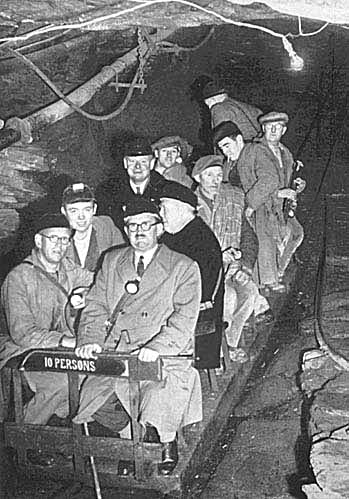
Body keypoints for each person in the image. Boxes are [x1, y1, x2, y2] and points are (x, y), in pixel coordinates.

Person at [73, 197, 202, 475]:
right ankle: (133, 438)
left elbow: (184, 317)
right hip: (118, 349)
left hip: (164, 352)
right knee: (93, 396)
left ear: (160, 229)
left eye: (146, 224)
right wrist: (90, 339)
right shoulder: (112, 261)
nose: (139, 231)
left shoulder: (183, 266)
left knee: (159, 394)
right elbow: (96, 304)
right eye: (132, 226)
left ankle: (165, 441)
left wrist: (157, 346)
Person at [0, 213, 93, 465]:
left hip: (55, 350)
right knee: (63, 382)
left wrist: (84, 291)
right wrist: (66, 341)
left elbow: (97, 281)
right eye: (53, 239)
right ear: (38, 241)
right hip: (21, 352)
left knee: (86, 374)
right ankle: (24, 438)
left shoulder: (67, 270)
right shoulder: (19, 277)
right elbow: (22, 333)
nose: (60, 246)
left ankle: (61, 433)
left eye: (65, 240)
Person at [192, 156, 271, 362]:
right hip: (204, 275)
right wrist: (218, 256)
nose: (215, 180)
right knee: (228, 298)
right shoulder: (190, 206)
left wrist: (244, 266)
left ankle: (230, 343)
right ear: (198, 177)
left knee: (250, 291)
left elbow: (249, 238)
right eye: (209, 175)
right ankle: (217, 351)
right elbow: (190, 249)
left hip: (232, 268)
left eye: (218, 175)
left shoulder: (233, 198)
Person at [237, 111, 305, 291]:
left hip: (279, 206)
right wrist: (252, 204)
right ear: (263, 128)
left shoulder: (285, 152)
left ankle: (279, 271)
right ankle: (268, 281)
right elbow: (265, 181)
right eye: (269, 127)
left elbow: (284, 181)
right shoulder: (257, 150)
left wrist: (297, 186)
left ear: (284, 130)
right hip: (260, 203)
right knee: (265, 240)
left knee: (296, 233)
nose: (274, 130)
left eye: (278, 127)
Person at [159, 181, 224, 370]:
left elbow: (204, 288)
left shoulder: (201, 239)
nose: (161, 214)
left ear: (181, 209)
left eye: (165, 209)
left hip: (200, 310)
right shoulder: (175, 233)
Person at [96, 138, 167, 230]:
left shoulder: (165, 190)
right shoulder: (108, 192)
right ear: (125, 163)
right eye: (132, 161)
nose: (138, 167)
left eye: (143, 161)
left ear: (152, 163)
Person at [61, 182, 125, 273]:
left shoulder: (106, 228)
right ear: (64, 211)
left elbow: (123, 261)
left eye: (87, 209)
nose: (81, 217)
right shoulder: (55, 236)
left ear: (94, 209)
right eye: (74, 211)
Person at [213, 120, 245, 185]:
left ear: (239, 140)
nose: (224, 152)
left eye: (227, 146)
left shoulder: (256, 152)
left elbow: (267, 180)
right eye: (222, 149)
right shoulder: (228, 164)